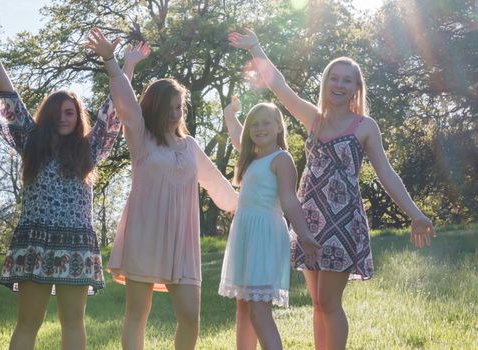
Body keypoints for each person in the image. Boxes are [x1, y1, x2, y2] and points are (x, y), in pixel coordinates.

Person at [228, 30, 436, 350]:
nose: (339, 85)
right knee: (316, 303)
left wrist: (416, 214)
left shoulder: (365, 126)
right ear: (325, 83)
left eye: (347, 80)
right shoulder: (313, 119)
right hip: (309, 217)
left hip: (343, 220)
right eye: (333, 78)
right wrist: (256, 47)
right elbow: (279, 86)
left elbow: (386, 174)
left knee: (329, 301)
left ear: (356, 87)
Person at [0, 28, 133, 350]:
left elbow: (114, 109)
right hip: (36, 242)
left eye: (70, 112)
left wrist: (119, 63)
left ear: (78, 117)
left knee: (73, 322)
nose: (64, 118)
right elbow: (13, 102)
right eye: (58, 112)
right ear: (47, 116)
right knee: (28, 323)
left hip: (76, 244)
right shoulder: (33, 142)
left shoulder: (90, 149)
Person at [107, 44, 239, 350]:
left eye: (179, 107)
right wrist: (115, 63)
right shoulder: (141, 137)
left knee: (191, 316)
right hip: (145, 235)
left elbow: (217, 185)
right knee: (137, 313)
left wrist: (246, 207)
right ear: (155, 108)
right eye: (169, 107)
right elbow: (124, 101)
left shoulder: (190, 146)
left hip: (183, 241)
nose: (175, 113)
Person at [218, 96, 321, 350]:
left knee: (259, 313)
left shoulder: (281, 159)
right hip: (245, 234)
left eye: (266, 123)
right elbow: (235, 132)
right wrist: (230, 112)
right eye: (255, 124)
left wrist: (304, 234)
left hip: (264, 235)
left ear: (278, 127)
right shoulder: (252, 157)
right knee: (243, 309)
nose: (259, 128)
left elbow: (289, 200)